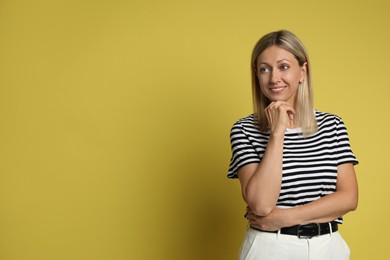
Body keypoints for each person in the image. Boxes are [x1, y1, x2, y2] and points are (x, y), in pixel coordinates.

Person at [227, 30, 358, 260]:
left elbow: (348, 198)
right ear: (257, 75)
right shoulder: (244, 130)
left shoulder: (332, 125)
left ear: (302, 72)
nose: (274, 78)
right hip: (270, 248)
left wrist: (287, 217)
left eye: (283, 67)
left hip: (328, 248)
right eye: (264, 69)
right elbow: (260, 205)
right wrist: (277, 133)